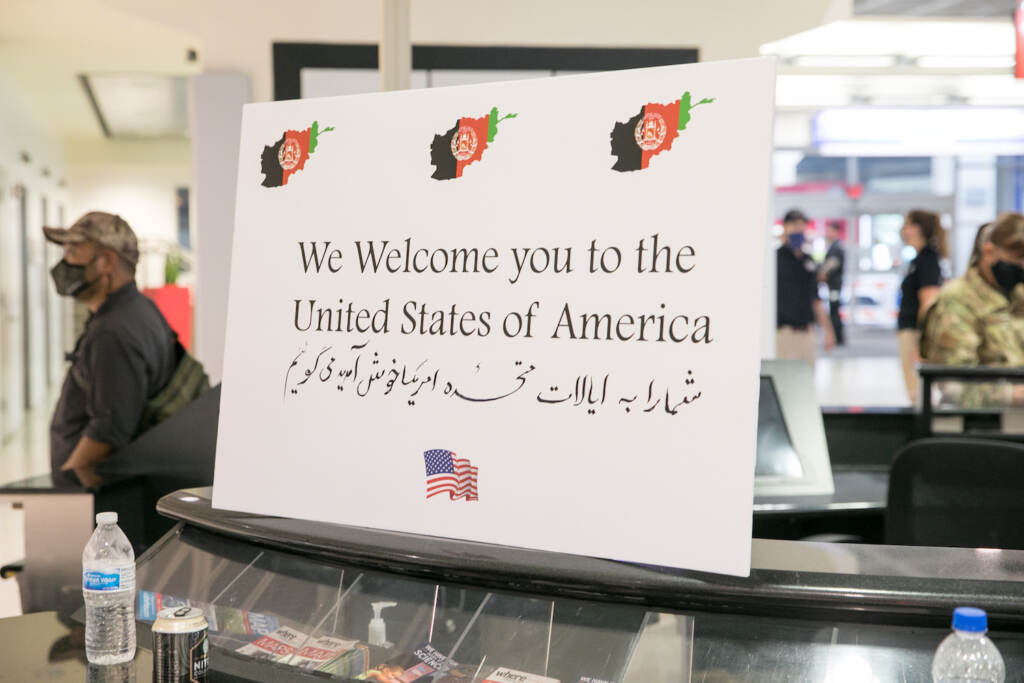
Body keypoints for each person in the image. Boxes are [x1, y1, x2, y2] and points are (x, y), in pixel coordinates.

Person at [45, 212, 178, 483]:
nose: (64, 261)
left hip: (98, 499)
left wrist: (65, 489)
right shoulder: (137, 310)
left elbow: (108, 430)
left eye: (73, 250)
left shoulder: (113, 332)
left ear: (106, 261)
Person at [921, 212, 1024, 368]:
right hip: (996, 390)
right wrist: (1013, 392)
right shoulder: (958, 299)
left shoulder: (1018, 295)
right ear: (989, 252)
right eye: (1017, 259)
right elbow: (953, 380)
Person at [898, 209, 946, 402]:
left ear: (917, 228)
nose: (903, 230)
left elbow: (928, 302)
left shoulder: (927, 259)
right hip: (909, 329)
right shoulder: (917, 260)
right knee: (913, 388)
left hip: (914, 331)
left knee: (917, 391)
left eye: (907, 224)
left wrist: (921, 342)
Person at [776, 209, 835, 364]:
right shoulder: (775, 259)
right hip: (782, 332)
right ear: (785, 227)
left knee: (806, 381)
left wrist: (828, 331)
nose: (798, 230)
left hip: (807, 331)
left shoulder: (808, 262)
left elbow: (816, 299)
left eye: (802, 226)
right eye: (794, 225)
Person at [819, 221, 845, 346]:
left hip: (835, 285)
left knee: (834, 310)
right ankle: (837, 336)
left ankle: (838, 337)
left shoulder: (836, 247)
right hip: (833, 285)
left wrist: (823, 274)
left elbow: (832, 264)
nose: (827, 234)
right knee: (834, 310)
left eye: (829, 231)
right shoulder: (834, 246)